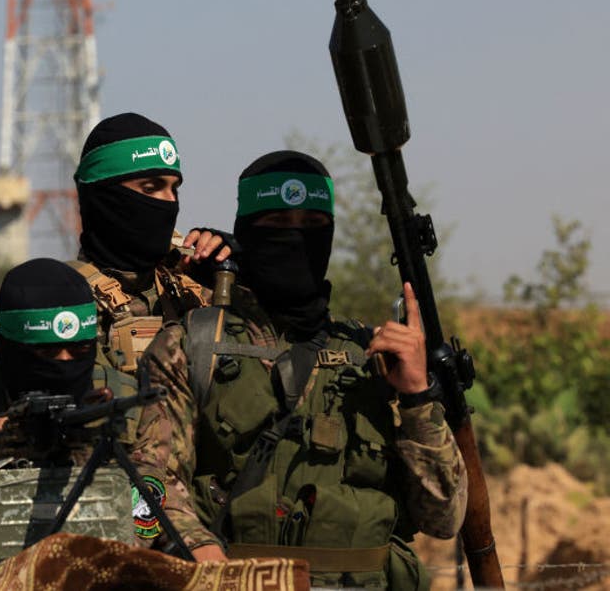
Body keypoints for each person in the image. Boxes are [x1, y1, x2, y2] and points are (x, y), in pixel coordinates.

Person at [143, 150, 467, 588]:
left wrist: (416, 395)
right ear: (246, 235)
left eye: (312, 227)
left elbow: (443, 516)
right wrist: (202, 553)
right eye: (277, 225)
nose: (295, 240)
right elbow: (148, 485)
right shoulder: (192, 345)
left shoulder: (371, 354)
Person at [0, 259, 220, 588]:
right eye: (47, 354)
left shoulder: (127, 408)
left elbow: (156, 515)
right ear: (8, 349)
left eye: (80, 349)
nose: (66, 365)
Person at [70, 112, 231, 370]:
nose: (169, 201)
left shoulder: (193, 291)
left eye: (174, 188)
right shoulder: (67, 301)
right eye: (150, 188)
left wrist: (236, 273)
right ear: (104, 197)